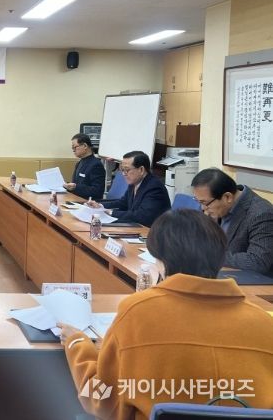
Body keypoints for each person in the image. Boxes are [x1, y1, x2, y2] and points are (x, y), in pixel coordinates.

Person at [58, 209, 273, 420]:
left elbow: (100, 400)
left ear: (161, 261)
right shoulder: (265, 323)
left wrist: (77, 344)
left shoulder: (136, 312)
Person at [191, 167, 273, 275]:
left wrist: (212, 256)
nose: (202, 208)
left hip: (251, 281)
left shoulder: (261, 214)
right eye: (199, 202)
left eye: (205, 203)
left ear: (227, 197)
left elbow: (258, 262)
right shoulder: (214, 205)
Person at [88, 151, 170, 226]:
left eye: (127, 170)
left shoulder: (154, 187)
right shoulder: (134, 182)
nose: (124, 174)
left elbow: (142, 216)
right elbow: (123, 203)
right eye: (122, 170)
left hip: (152, 231)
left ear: (141, 170)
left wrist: (110, 212)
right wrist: (100, 206)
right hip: (137, 226)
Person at [63, 133, 105, 200]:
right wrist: (68, 186)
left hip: (88, 202)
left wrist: (75, 187)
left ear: (85, 146)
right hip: (76, 199)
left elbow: (97, 191)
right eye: (72, 148)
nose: (73, 150)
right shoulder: (79, 163)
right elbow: (76, 185)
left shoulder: (96, 165)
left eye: (75, 147)